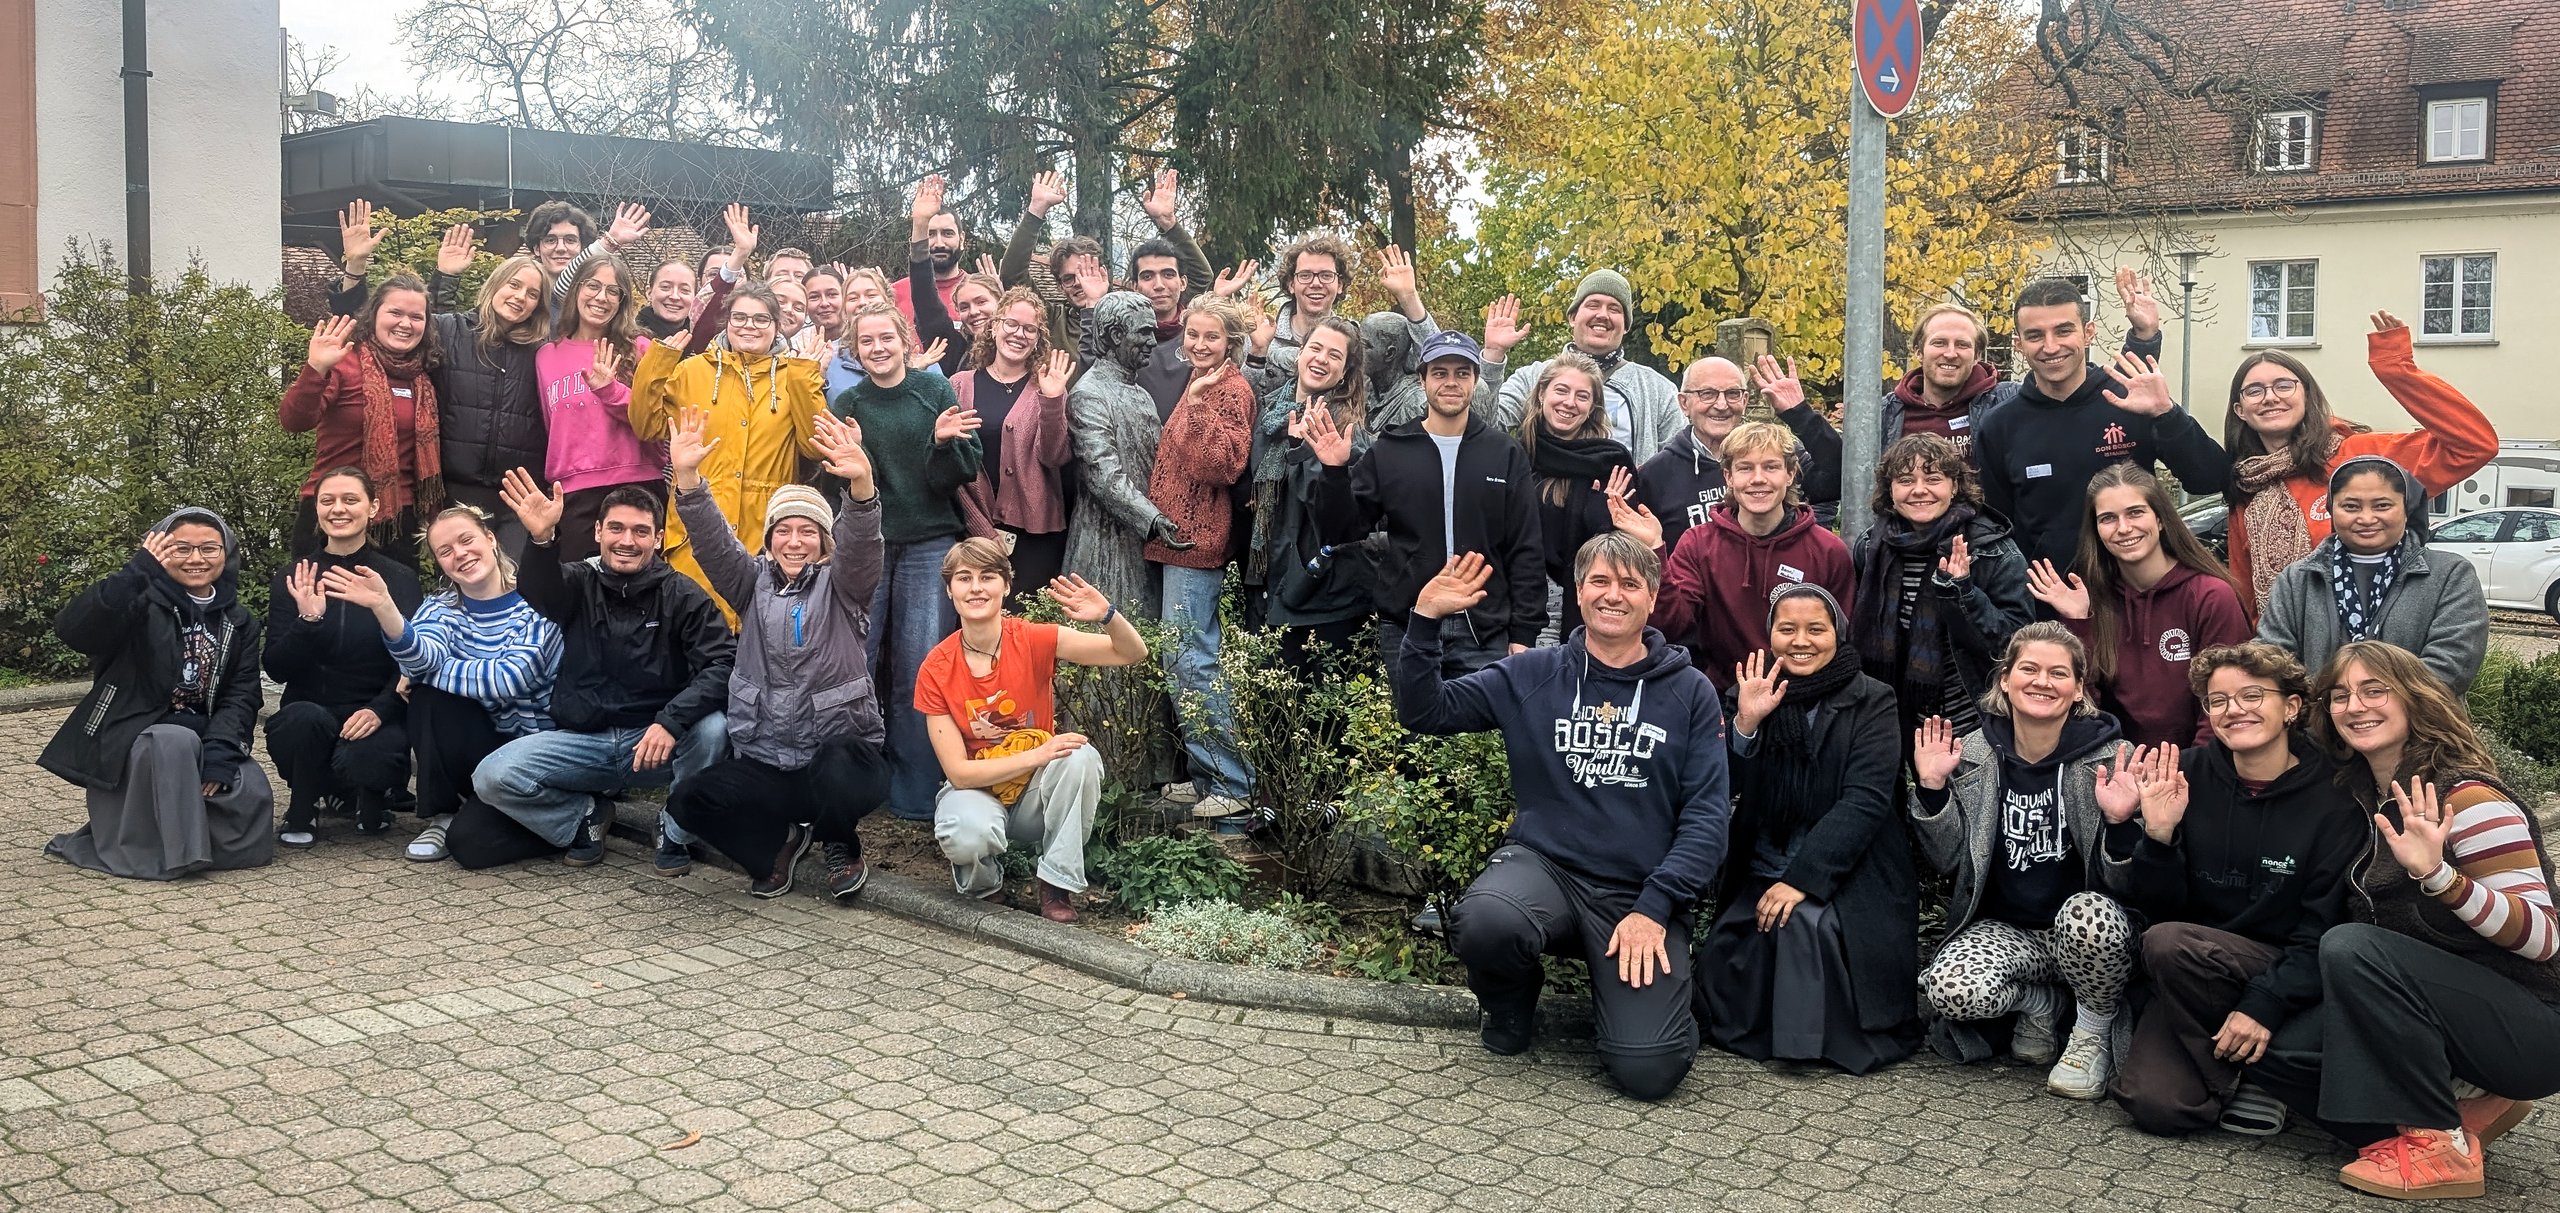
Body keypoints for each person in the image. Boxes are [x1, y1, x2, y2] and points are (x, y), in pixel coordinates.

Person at [1402, 537, 1730, 1101]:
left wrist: (1656, 907)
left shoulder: (1690, 692)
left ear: (1652, 597)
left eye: (1630, 585)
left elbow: (1706, 818)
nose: (1613, 596)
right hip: (1544, 867)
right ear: (1578, 593)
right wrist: (1425, 620)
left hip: (1637, 891)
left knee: (1650, 1071)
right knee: (1485, 922)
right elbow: (1425, 711)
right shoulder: (1533, 673)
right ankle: (1509, 1006)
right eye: (1600, 582)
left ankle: (1652, 1007)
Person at [2247, 642, 2560, 1200]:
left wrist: (2443, 877)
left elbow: (2542, 938)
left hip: (2531, 1023)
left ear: (2414, 698)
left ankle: (2440, 1145)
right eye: (2340, 694)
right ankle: (2455, 1120)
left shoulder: (2470, 800)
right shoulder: (2361, 802)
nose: (2355, 705)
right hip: (2436, 1017)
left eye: (2375, 689)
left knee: (2352, 946)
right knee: (2272, 1055)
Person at [2099, 643, 2366, 1136]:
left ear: (2290, 707)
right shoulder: (2189, 774)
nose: (2233, 710)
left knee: (2172, 943)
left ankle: (2264, 1054)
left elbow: (2326, 925)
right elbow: (2159, 911)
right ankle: (2258, 1072)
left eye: (2251, 695)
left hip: (2285, 968)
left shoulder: (2336, 797)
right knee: (2155, 1105)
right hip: (2192, 967)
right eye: (2217, 700)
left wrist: (2265, 1003)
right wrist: (2157, 838)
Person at [666, 407, 891, 900]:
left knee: (837, 769)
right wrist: (687, 479)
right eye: (783, 531)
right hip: (770, 760)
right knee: (689, 800)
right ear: (768, 540)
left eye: (807, 531)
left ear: (823, 540)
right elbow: (713, 544)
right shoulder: (750, 584)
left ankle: (839, 843)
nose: (795, 541)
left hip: (839, 759)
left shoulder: (846, 587)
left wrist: (861, 489)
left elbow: (861, 547)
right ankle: (778, 845)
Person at [1909, 623, 2138, 1101]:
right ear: (2005, 681)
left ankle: (2091, 1031)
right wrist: (1932, 791)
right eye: (2028, 669)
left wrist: (2120, 823)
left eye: (2059, 673)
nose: (2042, 682)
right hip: (2010, 931)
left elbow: (2134, 881)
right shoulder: (1972, 753)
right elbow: (1949, 860)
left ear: (2078, 689)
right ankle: (2043, 1004)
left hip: (2088, 933)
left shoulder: (2113, 759)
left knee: (2087, 915)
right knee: (1949, 988)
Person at [1699, 585, 1918, 1073]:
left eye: (1816, 629)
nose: (1801, 640)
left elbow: (1865, 802)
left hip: (1849, 870)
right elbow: (1720, 787)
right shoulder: (1748, 692)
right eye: (1787, 628)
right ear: (1770, 635)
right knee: (1739, 943)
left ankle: (1808, 1042)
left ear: (1837, 636)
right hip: (1764, 862)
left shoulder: (1874, 700)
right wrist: (1748, 725)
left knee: (1803, 925)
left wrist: (1801, 880)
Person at [471, 476, 735, 872]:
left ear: (658, 539)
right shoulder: (577, 581)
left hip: (652, 743)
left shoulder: (684, 595)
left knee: (714, 728)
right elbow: (540, 592)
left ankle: (675, 829)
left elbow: (722, 663)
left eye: (640, 531)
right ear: (598, 532)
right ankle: (585, 817)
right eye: (616, 528)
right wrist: (542, 540)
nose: (626, 540)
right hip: (582, 742)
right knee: (492, 777)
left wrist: (671, 722)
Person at [921, 542, 1148, 922]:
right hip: (976, 790)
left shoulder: (1032, 639)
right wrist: (1035, 755)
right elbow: (958, 773)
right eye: (964, 578)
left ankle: (1056, 883)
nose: (976, 587)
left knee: (1080, 758)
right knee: (964, 830)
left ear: (1006, 586)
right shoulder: (936, 667)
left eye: (987, 577)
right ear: (949, 590)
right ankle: (984, 885)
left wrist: (1107, 615)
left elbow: (1130, 653)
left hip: (1034, 794)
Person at [40, 510, 273, 880]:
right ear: (161, 550)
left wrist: (220, 751)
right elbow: (74, 630)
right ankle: (174, 854)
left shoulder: (239, 620)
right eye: (182, 548)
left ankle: (191, 840)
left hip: (201, 731)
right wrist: (137, 572)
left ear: (225, 554)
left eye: (209, 548)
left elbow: (241, 695)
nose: (196, 559)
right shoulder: (137, 601)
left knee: (250, 791)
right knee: (173, 741)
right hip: (133, 731)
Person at [330, 506, 561, 869]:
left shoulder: (538, 604)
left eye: (466, 540)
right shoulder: (441, 609)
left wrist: (424, 672)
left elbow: (507, 679)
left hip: (530, 753)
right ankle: (444, 814)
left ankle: (577, 813)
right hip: (478, 749)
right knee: (431, 700)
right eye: (446, 551)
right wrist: (385, 607)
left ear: (490, 538)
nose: (460, 554)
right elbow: (421, 654)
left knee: (472, 846)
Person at [2223, 312, 2497, 613]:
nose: (2270, 397)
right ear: (2240, 410)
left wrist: (2397, 369)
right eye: (2255, 391)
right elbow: (2244, 596)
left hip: (2370, 649)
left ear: (2307, 396)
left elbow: (2473, 445)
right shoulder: (2248, 488)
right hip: (2283, 651)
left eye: (2284, 385)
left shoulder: (2361, 456)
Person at [1308, 330, 1544, 676]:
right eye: (1440, 373)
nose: (1451, 382)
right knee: (1410, 729)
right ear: (1422, 381)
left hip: (1485, 629)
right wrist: (1333, 473)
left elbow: (1525, 546)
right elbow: (1340, 530)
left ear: (1476, 380)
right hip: (1409, 624)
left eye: (1462, 373)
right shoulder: (1390, 450)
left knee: (1480, 730)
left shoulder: (1504, 453)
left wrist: (1524, 632)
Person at [831, 301, 983, 823]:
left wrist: (940, 444)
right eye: (866, 341)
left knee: (919, 668)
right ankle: (854, 786)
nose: (877, 348)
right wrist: (855, 459)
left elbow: (960, 473)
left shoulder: (934, 392)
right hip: (869, 544)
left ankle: (916, 793)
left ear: (905, 342)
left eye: (886, 338)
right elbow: (843, 487)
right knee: (857, 662)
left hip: (928, 544)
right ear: (855, 349)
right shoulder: (848, 403)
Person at [1972, 275, 2224, 575]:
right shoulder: (2000, 426)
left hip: (2137, 591)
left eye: (2063, 330)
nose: (2050, 347)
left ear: (2088, 333)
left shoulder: (2129, 401)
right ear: (2018, 344)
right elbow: (1999, 529)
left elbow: (2209, 479)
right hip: (2051, 604)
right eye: (2035, 335)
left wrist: (2166, 413)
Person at [330, 206, 547, 553]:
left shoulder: (542, 352)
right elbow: (372, 329)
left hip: (517, 495)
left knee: (514, 586)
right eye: (514, 285)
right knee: (459, 586)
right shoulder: (452, 332)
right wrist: (355, 269)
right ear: (495, 286)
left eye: (533, 293)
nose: (520, 297)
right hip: (455, 490)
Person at [629, 281, 829, 612]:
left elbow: (814, 446)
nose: (749, 325)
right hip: (696, 539)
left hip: (764, 538)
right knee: (693, 640)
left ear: (777, 327)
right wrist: (658, 361)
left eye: (761, 319)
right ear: (727, 322)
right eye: (740, 317)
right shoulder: (693, 371)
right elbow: (646, 425)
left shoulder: (792, 376)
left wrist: (805, 375)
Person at [2028, 463, 2250, 748]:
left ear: (2159, 518)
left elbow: (2226, 705)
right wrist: (2079, 623)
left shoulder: (2211, 596)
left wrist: (2184, 773)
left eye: (2135, 512)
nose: (2123, 528)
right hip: (2119, 770)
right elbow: (2084, 709)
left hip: (2195, 770)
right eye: (2108, 518)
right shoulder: (2093, 599)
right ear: (2095, 529)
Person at [1143, 296, 1258, 820]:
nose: (1199, 345)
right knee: (1177, 658)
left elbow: (1220, 466)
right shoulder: (1202, 382)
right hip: (1174, 539)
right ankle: (1203, 772)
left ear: (1231, 341)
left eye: (1211, 337)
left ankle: (1234, 783)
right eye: (1193, 335)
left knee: (1194, 660)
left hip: (1197, 543)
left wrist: (1195, 407)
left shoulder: (1230, 390)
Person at [262, 470, 422, 846]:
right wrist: (308, 621)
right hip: (309, 715)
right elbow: (276, 667)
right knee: (302, 720)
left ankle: (370, 797)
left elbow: (412, 660)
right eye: (328, 500)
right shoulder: (294, 577)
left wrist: (381, 709)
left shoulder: (399, 578)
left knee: (370, 755)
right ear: (316, 509)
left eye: (350, 500)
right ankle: (303, 804)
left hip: (373, 712)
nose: (339, 509)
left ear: (373, 507)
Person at [1633, 421, 1853, 691]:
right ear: (1728, 476)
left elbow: (1843, 641)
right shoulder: (1698, 543)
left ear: (1791, 473)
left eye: (1770, 467)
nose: (1758, 478)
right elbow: (1670, 626)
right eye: (1745, 468)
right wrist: (1656, 550)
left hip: (1807, 695)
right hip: (1724, 696)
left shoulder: (1828, 550)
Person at [1847, 434, 2033, 745]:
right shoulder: (1872, 547)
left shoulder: (1992, 551)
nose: (1919, 490)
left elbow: (2017, 644)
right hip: (1901, 718)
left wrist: (1963, 593)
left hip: (1977, 716)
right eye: (1906, 480)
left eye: (1933, 478)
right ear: (1890, 489)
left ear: (1955, 486)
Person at [2258, 456, 2489, 695]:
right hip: (2318, 725)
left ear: (2407, 508)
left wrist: (2369, 704)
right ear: (2331, 509)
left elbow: (2452, 665)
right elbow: (2273, 657)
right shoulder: (2298, 579)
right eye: (2351, 506)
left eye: (2382, 506)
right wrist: (2326, 710)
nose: (2366, 519)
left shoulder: (2450, 574)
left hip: (2419, 727)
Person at [283, 278, 441, 564]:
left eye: (416, 317)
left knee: (393, 606)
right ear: (374, 314)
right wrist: (315, 369)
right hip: (332, 510)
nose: (405, 323)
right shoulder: (345, 360)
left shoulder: (424, 377)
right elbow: (294, 420)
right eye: (395, 313)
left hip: (396, 517)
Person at [1252, 315, 1375, 668]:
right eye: (1315, 348)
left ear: (1345, 372)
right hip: (1267, 581)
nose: (1321, 359)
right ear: (1300, 352)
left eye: (1334, 356)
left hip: (1319, 595)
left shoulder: (1347, 429)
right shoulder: (1273, 410)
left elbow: (1342, 520)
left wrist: (1306, 452)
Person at [1632, 354, 1843, 542]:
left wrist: (1800, 414)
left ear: (1745, 400)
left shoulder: (1778, 457)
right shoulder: (1655, 475)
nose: (1722, 405)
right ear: (1684, 403)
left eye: (1732, 393)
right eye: (1707, 394)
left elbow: (1838, 477)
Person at [955, 288, 1077, 606]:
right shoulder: (959, 385)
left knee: (1027, 630)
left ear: (1038, 339)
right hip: (974, 531)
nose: (1019, 334)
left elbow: (1054, 457)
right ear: (994, 326)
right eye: (1011, 323)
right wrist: (982, 530)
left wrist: (1052, 401)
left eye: (1030, 329)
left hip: (1035, 538)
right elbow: (952, 470)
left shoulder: (1047, 387)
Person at [539, 252, 663, 563]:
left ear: (622, 302)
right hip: (574, 492)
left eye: (613, 291)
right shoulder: (546, 356)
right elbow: (550, 427)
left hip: (637, 481)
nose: (601, 297)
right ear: (576, 290)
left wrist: (610, 391)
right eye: (593, 286)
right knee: (580, 592)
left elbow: (654, 422)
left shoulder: (641, 350)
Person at [1064, 292, 1181, 621]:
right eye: (1143, 332)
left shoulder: (1141, 394)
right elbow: (1103, 476)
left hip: (1141, 539)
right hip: (1104, 544)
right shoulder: (1089, 394)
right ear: (1115, 335)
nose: (1152, 341)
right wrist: (1153, 519)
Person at [1003, 168, 1205, 359]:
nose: (1079, 282)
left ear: (1104, 274)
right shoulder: (1053, 320)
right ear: (1059, 285)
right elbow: (1012, 276)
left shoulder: (1131, 316)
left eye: (1086, 272)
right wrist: (1036, 211)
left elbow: (1200, 275)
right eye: (1069, 278)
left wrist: (1168, 222)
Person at [1483, 269, 1681, 460]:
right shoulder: (1533, 377)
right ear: (1572, 317)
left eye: (1614, 308)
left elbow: (1678, 462)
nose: (1603, 315)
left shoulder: (1657, 390)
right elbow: (1484, 432)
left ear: (1626, 325)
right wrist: (1493, 356)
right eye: (1593, 305)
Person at [1517, 353, 1633, 638]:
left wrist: (1606, 517)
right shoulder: (1515, 456)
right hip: (1521, 603)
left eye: (1582, 396)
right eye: (1561, 390)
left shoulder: (1611, 461)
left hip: (1584, 605)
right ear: (1542, 392)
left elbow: (1626, 550)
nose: (1570, 403)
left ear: (1592, 406)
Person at [1258, 238, 1436, 391]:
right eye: (1305, 275)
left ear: (1340, 284)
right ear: (1291, 284)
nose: (1316, 283)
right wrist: (1259, 353)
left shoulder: (1357, 341)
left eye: (1326, 275)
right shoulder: (1262, 336)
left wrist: (1409, 298)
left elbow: (1434, 362)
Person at [1878, 302, 2003, 455]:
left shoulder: (2004, 407)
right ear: (1918, 352)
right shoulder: (1885, 415)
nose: (1950, 354)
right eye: (1939, 343)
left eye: (1962, 345)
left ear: (1977, 355)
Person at [893, 188, 969, 323]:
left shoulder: (979, 295)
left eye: (947, 233)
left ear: (962, 239)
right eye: (930, 234)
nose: (939, 243)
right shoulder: (895, 294)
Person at [639, 258, 695, 341]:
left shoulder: (706, 343)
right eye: (665, 287)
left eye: (685, 290)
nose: (675, 296)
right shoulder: (627, 339)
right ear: (649, 293)